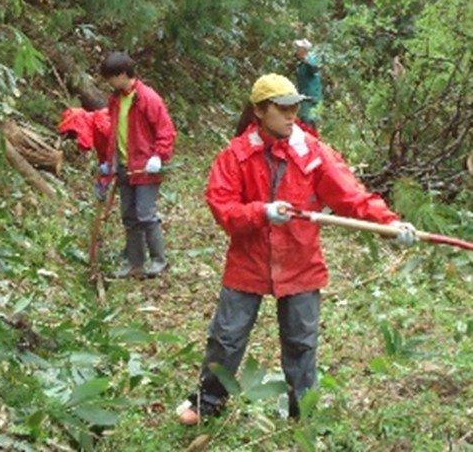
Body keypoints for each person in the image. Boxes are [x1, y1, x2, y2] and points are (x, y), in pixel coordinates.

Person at [178, 73, 417, 425]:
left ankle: (302, 412)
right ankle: (207, 401)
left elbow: (351, 195)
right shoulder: (237, 156)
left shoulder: (313, 154)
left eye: (295, 108)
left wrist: (390, 224)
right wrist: (261, 212)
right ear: (260, 111)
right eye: (284, 108)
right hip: (249, 262)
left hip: (299, 261)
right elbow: (223, 206)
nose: (293, 116)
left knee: (301, 344)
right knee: (226, 338)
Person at [96, 52, 176, 278]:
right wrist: (109, 163)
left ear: (122, 74)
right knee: (129, 216)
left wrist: (159, 156)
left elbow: (166, 131)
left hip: (145, 167)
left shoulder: (148, 98)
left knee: (145, 215)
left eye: (111, 78)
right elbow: (114, 133)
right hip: (124, 166)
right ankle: (135, 262)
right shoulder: (116, 99)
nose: (109, 83)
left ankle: (159, 260)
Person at [294, 38, 323, 131]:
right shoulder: (301, 64)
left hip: (311, 99)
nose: (297, 51)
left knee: (309, 123)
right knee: (304, 122)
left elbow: (314, 69)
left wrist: (306, 60)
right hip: (304, 99)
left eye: (299, 49)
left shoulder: (311, 60)